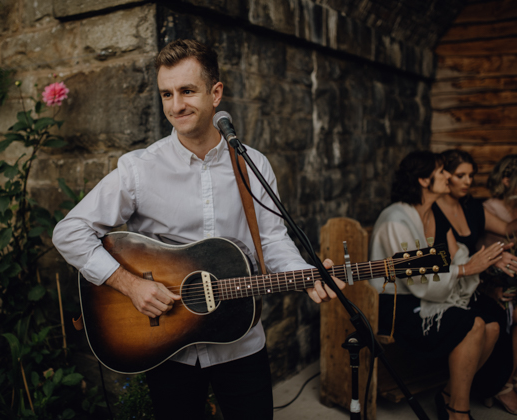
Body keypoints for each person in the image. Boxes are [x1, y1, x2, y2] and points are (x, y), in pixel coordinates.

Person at [52, 39, 344, 420]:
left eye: (187, 91)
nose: (176, 106)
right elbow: (69, 231)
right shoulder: (139, 169)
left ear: (216, 93)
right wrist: (131, 284)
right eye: (167, 94)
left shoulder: (251, 164)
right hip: (166, 345)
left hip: (240, 342)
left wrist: (302, 275)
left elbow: (272, 239)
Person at [368, 150, 505, 420]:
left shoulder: (426, 213)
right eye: (442, 172)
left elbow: (450, 256)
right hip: (396, 304)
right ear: (423, 180)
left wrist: (481, 260)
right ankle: (459, 413)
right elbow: (418, 280)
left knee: (492, 326)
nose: (448, 177)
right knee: (474, 324)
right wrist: (466, 269)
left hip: (422, 295)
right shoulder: (397, 219)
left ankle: (448, 397)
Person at [433, 149, 517, 413]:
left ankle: (464, 390)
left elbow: (506, 229)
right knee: (488, 319)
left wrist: (494, 258)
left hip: (470, 283)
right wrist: (489, 263)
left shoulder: (472, 207)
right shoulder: (432, 211)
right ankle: (465, 402)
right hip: (444, 287)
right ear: (444, 176)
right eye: (461, 175)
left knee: (496, 322)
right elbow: (444, 268)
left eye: (471, 175)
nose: (468, 181)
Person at [477, 154, 517, 414]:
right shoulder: (487, 209)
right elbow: (480, 253)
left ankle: (509, 381)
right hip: (489, 280)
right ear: (506, 180)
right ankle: (502, 386)